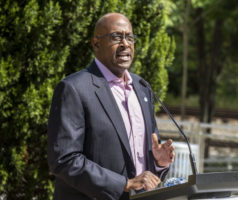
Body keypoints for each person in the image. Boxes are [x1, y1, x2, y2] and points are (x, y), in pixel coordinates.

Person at [47, 13, 175, 200]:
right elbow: (64, 160)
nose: (125, 44)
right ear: (96, 43)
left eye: (130, 37)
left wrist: (159, 163)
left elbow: (144, 166)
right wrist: (124, 184)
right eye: (117, 37)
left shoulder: (142, 88)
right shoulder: (74, 88)